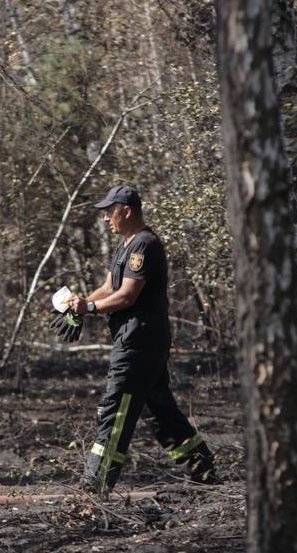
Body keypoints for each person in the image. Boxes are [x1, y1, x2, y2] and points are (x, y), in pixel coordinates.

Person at [67, 185, 219, 492]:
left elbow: (126, 296)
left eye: (110, 212)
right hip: (136, 341)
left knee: (116, 410)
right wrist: (79, 305)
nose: (106, 219)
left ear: (127, 211)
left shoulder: (145, 245)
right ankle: (202, 470)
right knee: (159, 410)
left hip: (139, 343)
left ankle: (95, 487)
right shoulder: (126, 245)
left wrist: (91, 307)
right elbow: (110, 288)